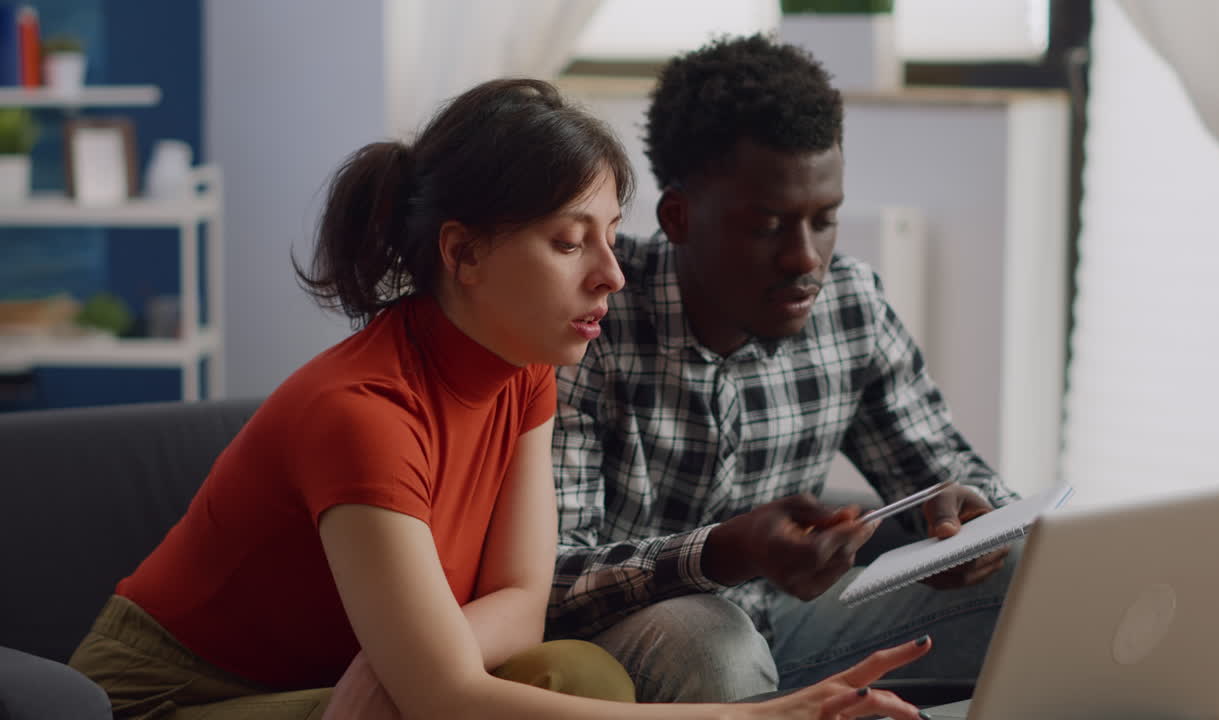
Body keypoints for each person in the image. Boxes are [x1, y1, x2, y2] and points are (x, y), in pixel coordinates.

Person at [65, 78, 935, 720]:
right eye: (569, 242)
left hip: (340, 679)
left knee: (569, 673)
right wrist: (757, 715)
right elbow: (444, 697)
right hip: (173, 698)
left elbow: (523, 597)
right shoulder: (362, 411)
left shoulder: (524, 371)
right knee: (495, 695)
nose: (611, 273)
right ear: (463, 254)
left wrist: (405, 666)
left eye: (607, 235)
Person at [549, 35, 1023, 704]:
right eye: (768, 226)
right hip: (651, 641)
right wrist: (722, 553)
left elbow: (957, 476)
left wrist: (965, 520)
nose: (806, 259)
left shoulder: (850, 306)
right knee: (714, 641)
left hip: (793, 630)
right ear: (678, 218)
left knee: (1031, 567)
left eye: (824, 221)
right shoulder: (590, 322)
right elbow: (552, 578)